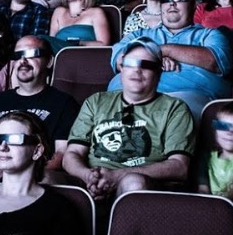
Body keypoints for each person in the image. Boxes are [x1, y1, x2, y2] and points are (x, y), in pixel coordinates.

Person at [64, 37, 195, 198]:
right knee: (45, 177)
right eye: (130, 64)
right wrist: (88, 176)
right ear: (122, 69)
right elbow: (72, 154)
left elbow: (179, 167)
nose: (137, 70)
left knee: (133, 182)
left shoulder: (175, 109)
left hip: (142, 186)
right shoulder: (96, 101)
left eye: (146, 65)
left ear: (159, 73)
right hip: (91, 181)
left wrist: (118, 175)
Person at [108, 0, 232, 122]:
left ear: (193, 5)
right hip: (128, 96)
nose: (172, 3)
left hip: (186, 98)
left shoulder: (209, 34)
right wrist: (156, 58)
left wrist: (162, 51)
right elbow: (119, 60)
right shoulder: (138, 34)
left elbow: (214, 61)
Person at [0, 36, 80, 187]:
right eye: (18, 56)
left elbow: (62, 154)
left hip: (32, 182)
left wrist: (18, 173)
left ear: (49, 61)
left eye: (31, 54)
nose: (23, 61)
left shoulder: (64, 103)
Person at [44, 0, 112, 52]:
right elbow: (52, 43)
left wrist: (78, 43)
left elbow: (104, 44)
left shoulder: (96, 12)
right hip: (61, 59)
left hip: (86, 57)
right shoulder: (59, 12)